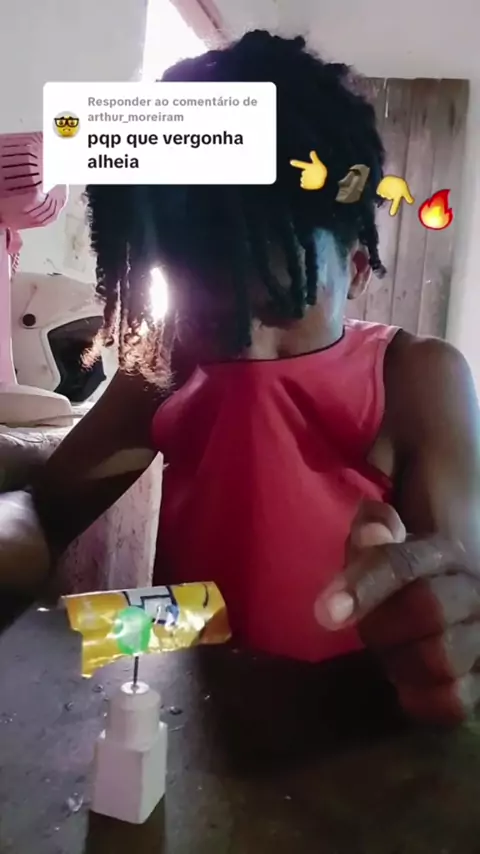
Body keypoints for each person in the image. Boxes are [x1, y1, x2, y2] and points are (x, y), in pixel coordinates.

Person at [1, 30, 480, 726]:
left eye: (282, 305)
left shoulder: (416, 377)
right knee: (46, 656)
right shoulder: (164, 365)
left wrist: (448, 638)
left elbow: (455, 584)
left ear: (355, 270)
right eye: (208, 313)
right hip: (187, 640)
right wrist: (13, 531)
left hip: (352, 671)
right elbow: (47, 507)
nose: (245, 352)